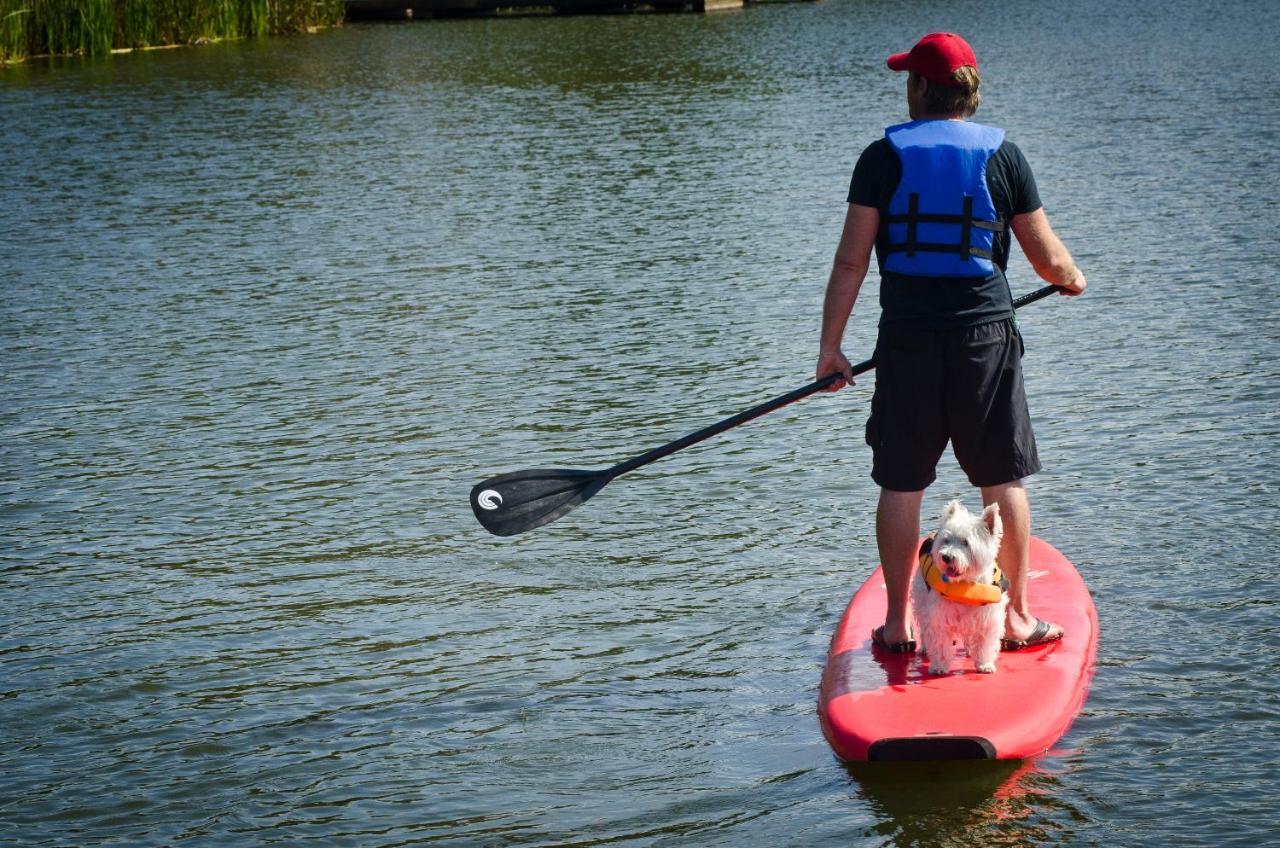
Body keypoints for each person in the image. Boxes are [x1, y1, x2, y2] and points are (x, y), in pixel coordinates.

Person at [816, 32, 1087, 653]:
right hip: (984, 340)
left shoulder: (880, 158)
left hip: (907, 342)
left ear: (918, 88)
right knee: (1003, 479)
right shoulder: (1005, 156)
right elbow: (1046, 259)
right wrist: (1071, 276)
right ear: (970, 93)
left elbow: (851, 262)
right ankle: (1017, 618)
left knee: (901, 482)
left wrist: (831, 349)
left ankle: (896, 623)